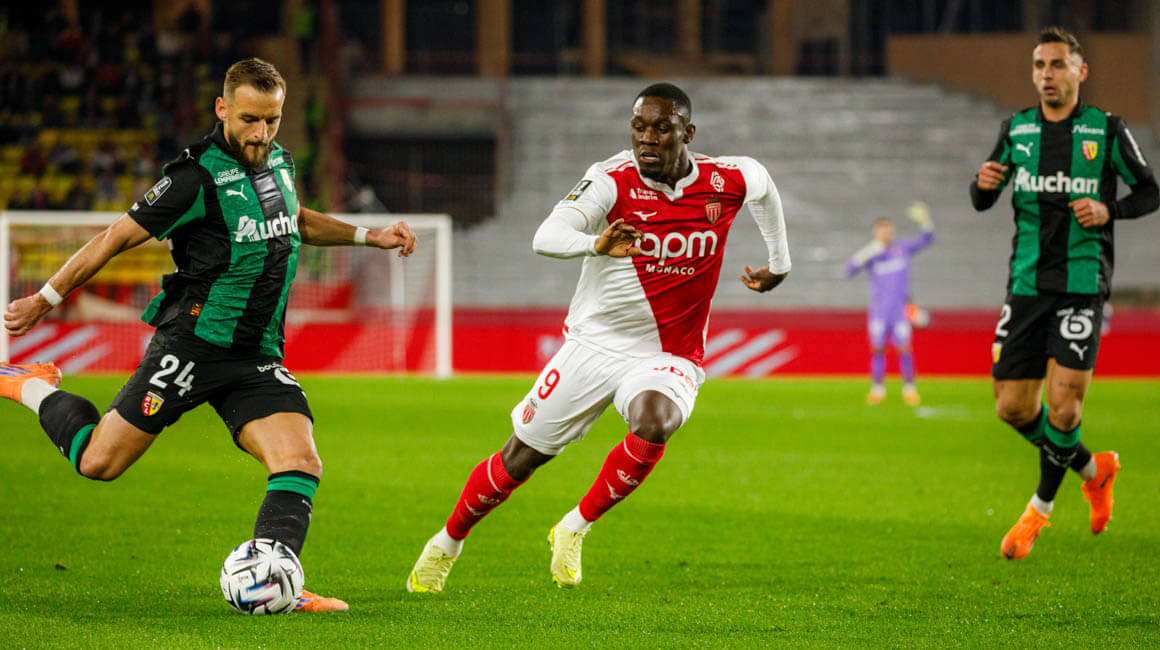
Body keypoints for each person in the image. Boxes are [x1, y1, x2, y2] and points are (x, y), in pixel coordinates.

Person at [1, 58, 418, 610]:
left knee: (299, 462)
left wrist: (371, 236)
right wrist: (43, 300)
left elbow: (295, 219)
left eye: (272, 120)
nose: (261, 134)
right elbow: (113, 238)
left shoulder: (280, 162)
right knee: (98, 462)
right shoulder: (192, 178)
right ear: (223, 108)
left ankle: (277, 581)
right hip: (193, 345)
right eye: (250, 120)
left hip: (256, 354)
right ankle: (31, 385)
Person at [406, 82, 791, 592]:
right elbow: (546, 237)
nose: (647, 138)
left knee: (656, 423)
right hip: (594, 344)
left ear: (688, 133)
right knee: (520, 459)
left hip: (669, 353)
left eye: (661, 128)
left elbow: (764, 188)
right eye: (638, 127)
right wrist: (596, 244)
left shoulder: (728, 178)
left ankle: (574, 526)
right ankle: (447, 541)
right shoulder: (611, 180)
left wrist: (779, 263)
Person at [969, 27, 1157, 560]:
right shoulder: (1017, 130)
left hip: (1081, 286)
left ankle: (1038, 511)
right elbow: (982, 198)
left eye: (1057, 64)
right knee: (1012, 407)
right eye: (1039, 65)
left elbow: (1150, 191)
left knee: (1065, 408)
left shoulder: (1107, 131)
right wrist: (982, 185)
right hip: (1026, 285)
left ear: (1081, 71)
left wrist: (1109, 209)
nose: (1046, 74)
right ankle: (1095, 470)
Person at [843, 201, 934, 405]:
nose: (886, 233)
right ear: (875, 232)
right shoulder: (872, 254)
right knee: (877, 349)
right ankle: (877, 390)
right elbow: (848, 270)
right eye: (882, 230)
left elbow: (928, 239)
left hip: (899, 311)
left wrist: (925, 221)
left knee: (904, 348)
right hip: (879, 311)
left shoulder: (902, 248)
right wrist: (869, 251)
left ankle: (909, 390)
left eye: (888, 229)